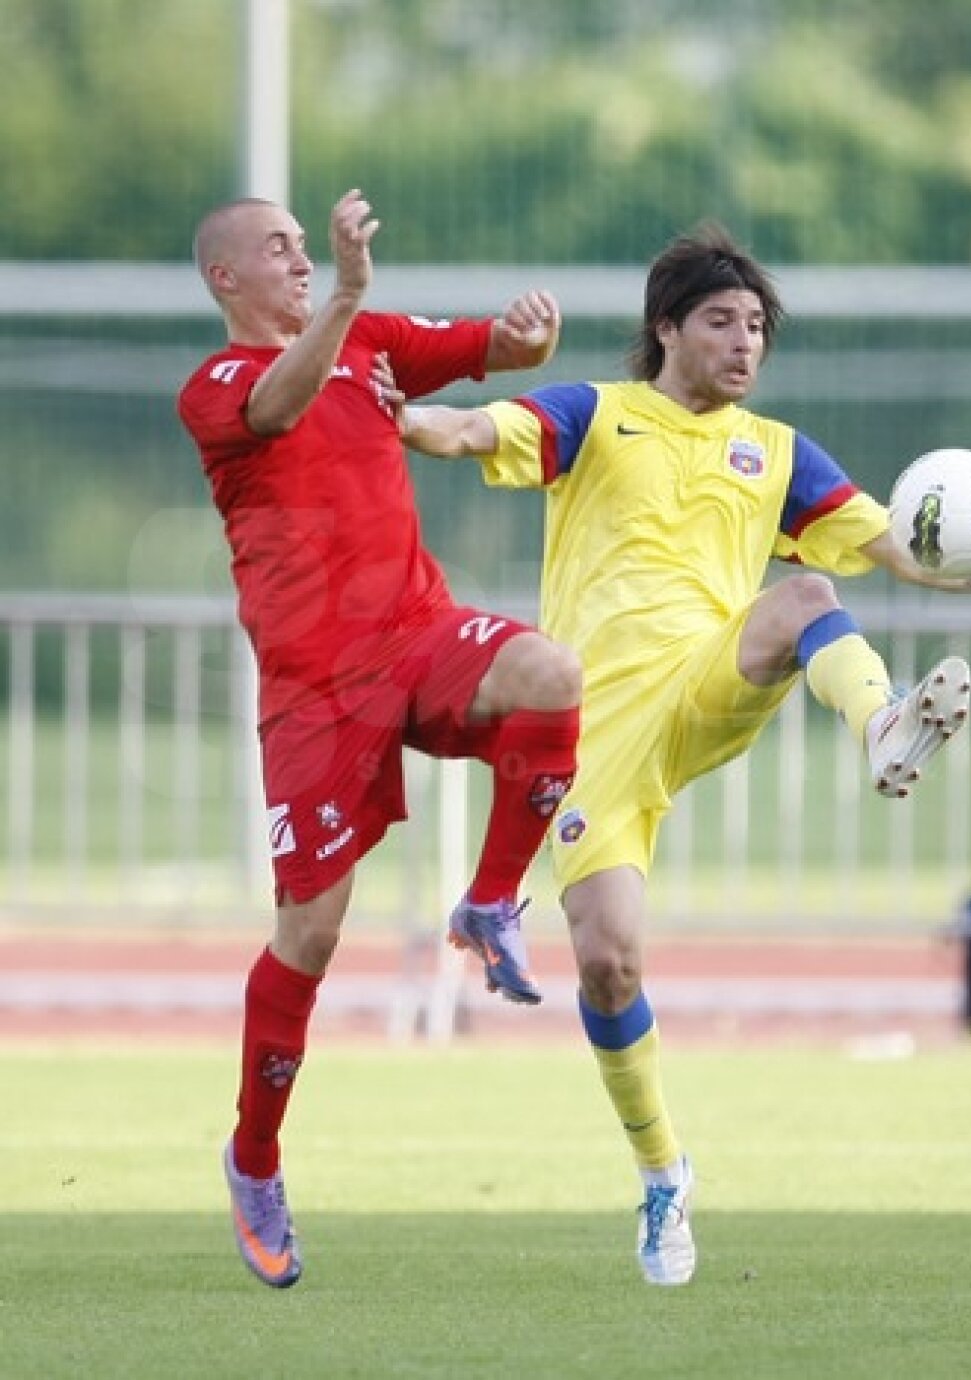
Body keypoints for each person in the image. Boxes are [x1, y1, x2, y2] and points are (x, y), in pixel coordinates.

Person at [400, 223, 971, 1287]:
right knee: (608, 958)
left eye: (757, 325)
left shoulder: (777, 452)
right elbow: (471, 433)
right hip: (593, 734)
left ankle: (884, 727)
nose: (745, 341)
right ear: (665, 327)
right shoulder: (597, 414)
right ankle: (665, 1172)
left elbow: (898, 544)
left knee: (808, 593)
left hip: (711, 675)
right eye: (722, 320)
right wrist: (391, 414)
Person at [178, 188, 582, 1289]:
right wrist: (351, 294)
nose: (302, 261)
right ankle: (254, 1157)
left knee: (550, 672)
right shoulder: (215, 386)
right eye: (280, 249)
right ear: (226, 279)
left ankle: (491, 900)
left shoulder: (369, 340)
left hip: (416, 634)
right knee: (310, 937)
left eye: (309, 248)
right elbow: (274, 405)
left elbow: (484, 347)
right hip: (313, 690)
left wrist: (524, 335)